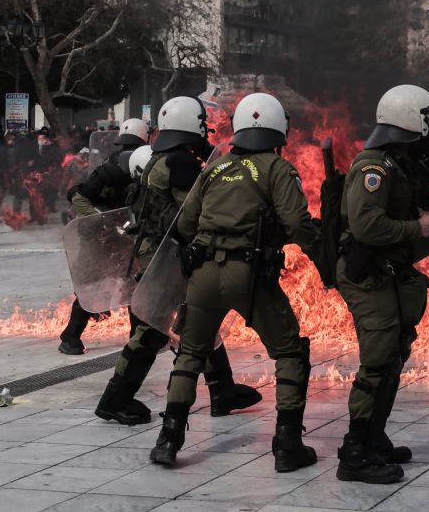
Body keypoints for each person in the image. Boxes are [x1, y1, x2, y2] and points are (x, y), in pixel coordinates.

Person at [150, 93, 320, 470]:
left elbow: (185, 225)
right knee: (289, 352)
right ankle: (288, 444)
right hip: (249, 275)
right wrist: (322, 249)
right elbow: (297, 224)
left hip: (204, 274)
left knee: (191, 353)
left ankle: (169, 439)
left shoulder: (215, 168)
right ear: (279, 128)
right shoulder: (277, 169)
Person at [94, 98, 260, 426]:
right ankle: (115, 400)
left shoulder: (159, 157)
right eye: (202, 125)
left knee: (201, 317)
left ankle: (222, 390)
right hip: (170, 256)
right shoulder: (181, 163)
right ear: (191, 125)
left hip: (158, 252)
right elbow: (195, 212)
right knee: (152, 331)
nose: (205, 131)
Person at [334, 84, 429, 485]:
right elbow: (366, 225)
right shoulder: (373, 167)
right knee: (377, 361)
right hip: (367, 274)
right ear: (409, 120)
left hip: (388, 271)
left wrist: (426, 198)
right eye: (427, 119)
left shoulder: (399, 163)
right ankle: (354, 452)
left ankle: (374, 436)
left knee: (394, 354)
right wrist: (419, 225)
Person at [58, 119, 150, 355]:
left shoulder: (137, 166)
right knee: (97, 287)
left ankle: (136, 341)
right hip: (100, 238)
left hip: (125, 237)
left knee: (131, 285)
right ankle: (70, 337)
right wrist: (100, 220)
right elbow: (78, 197)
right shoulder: (108, 170)